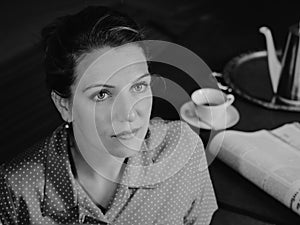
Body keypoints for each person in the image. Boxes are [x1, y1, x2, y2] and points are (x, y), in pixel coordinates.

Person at [0, 5, 217, 225]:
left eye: (139, 86)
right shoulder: (18, 188)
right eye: (102, 94)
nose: (129, 113)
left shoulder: (183, 150)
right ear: (64, 106)